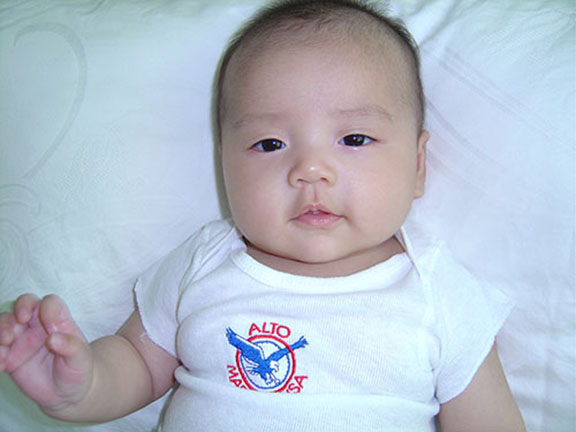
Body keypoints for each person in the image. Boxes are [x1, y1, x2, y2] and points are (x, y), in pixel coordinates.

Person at [0, 0, 525, 430]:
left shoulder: (438, 292)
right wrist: (82, 385)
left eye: (354, 138)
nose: (310, 169)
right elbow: (137, 362)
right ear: (223, 163)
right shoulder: (205, 261)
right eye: (269, 143)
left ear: (417, 166)